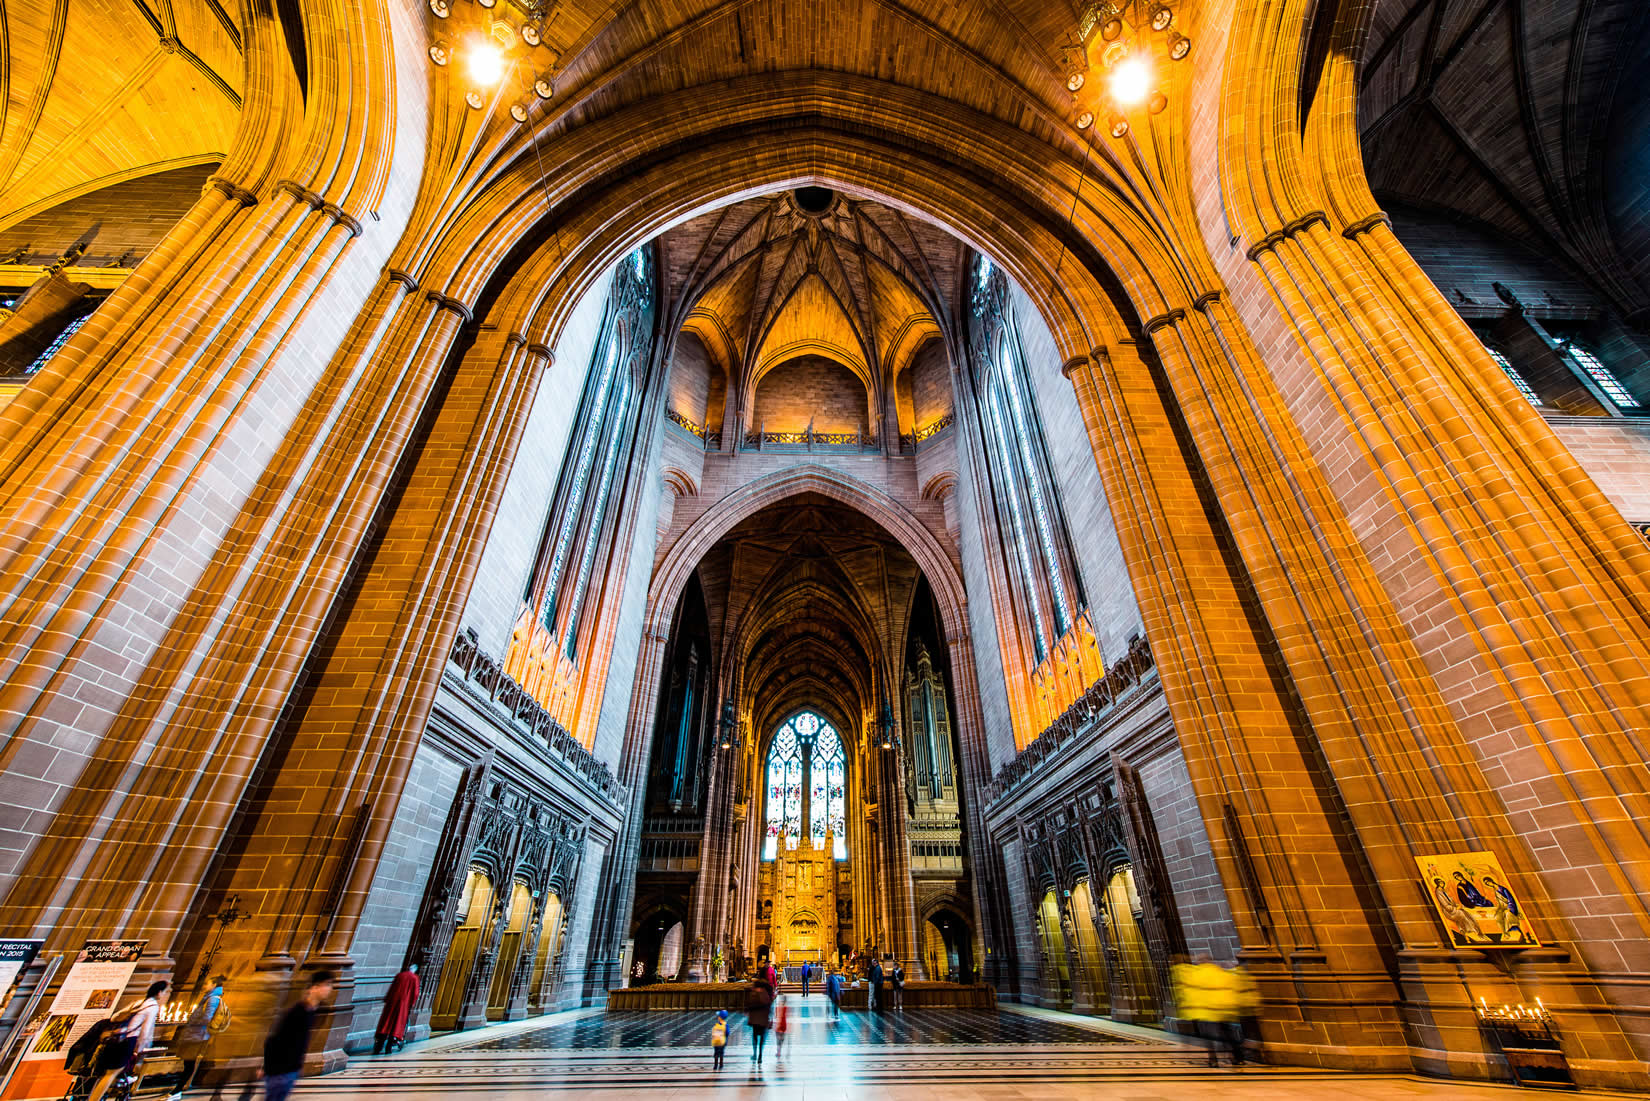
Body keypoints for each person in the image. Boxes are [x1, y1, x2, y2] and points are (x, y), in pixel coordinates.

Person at [88, 980, 169, 1101]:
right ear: (159, 993)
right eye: (164, 992)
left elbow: (115, 1017)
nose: (163, 995)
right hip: (126, 1042)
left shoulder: (137, 1003)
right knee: (111, 1074)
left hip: (113, 1039)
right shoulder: (152, 1007)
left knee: (105, 1074)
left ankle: (96, 1096)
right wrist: (141, 1048)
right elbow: (146, 1031)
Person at [261, 971, 335, 1101]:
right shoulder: (298, 1011)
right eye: (327, 984)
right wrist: (267, 1068)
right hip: (280, 1072)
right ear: (314, 987)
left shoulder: (311, 1011)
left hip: (290, 1070)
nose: (330, 989)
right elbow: (274, 1040)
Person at [173, 975, 226, 1088]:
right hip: (195, 1034)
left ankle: (178, 1089)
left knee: (189, 1063)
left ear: (214, 985)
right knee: (187, 1062)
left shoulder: (213, 999)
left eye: (207, 983)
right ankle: (179, 1087)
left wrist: (193, 1022)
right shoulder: (208, 997)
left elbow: (207, 1018)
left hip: (198, 1034)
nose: (205, 986)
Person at [373, 964, 419, 1054]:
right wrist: (412, 1004)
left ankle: (379, 1045)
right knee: (397, 1025)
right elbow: (415, 993)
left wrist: (387, 999)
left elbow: (392, 988)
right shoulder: (414, 978)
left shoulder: (400, 975)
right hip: (403, 1005)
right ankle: (389, 1047)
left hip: (392, 1002)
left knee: (386, 1023)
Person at [744, 977, 773, 1064]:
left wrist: (748, 1010)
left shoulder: (754, 993)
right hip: (763, 1019)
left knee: (755, 1037)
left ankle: (755, 1054)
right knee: (762, 1038)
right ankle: (760, 1055)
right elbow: (769, 1005)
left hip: (755, 1019)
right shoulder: (765, 993)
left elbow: (750, 1004)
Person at [773, 991, 790, 1058]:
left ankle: (779, 1051)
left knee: (779, 1039)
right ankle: (779, 1050)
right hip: (783, 1025)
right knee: (781, 1039)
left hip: (779, 1025)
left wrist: (776, 1025)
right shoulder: (786, 1008)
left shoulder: (779, 1008)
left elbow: (777, 1016)